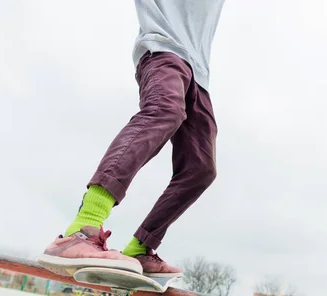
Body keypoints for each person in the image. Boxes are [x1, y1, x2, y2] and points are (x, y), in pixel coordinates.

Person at [38, 0, 226, 278]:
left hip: (200, 76)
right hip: (163, 50)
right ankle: (83, 228)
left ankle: (140, 247)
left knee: (201, 169)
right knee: (165, 111)